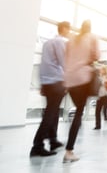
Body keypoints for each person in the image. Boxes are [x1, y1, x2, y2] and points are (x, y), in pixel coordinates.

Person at [30, 21, 70, 157]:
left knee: (52, 112)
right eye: (68, 29)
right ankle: (37, 146)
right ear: (64, 29)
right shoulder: (59, 43)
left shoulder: (47, 43)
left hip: (47, 82)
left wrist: (42, 84)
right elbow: (63, 62)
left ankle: (53, 140)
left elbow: (43, 65)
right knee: (50, 114)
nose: (68, 32)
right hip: (56, 81)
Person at [63, 20, 100, 162]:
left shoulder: (71, 39)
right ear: (90, 28)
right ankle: (69, 151)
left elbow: (65, 59)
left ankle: (69, 150)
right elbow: (96, 56)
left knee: (78, 110)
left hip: (70, 80)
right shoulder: (93, 37)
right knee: (79, 112)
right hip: (83, 78)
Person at [93, 65, 107, 130]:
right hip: (100, 96)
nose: (100, 70)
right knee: (97, 111)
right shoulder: (100, 77)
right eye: (100, 69)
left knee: (106, 108)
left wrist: (105, 82)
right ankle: (98, 125)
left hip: (106, 95)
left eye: (102, 69)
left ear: (104, 70)